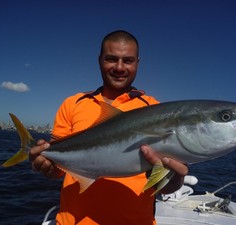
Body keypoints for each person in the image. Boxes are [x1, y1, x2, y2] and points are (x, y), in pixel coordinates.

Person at [30, 30, 188, 225]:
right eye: (111, 59)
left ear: (137, 63)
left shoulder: (155, 110)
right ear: (100, 60)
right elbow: (58, 171)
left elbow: (166, 186)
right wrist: (46, 164)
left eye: (128, 60)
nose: (119, 67)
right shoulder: (73, 104)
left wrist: (174, 177)